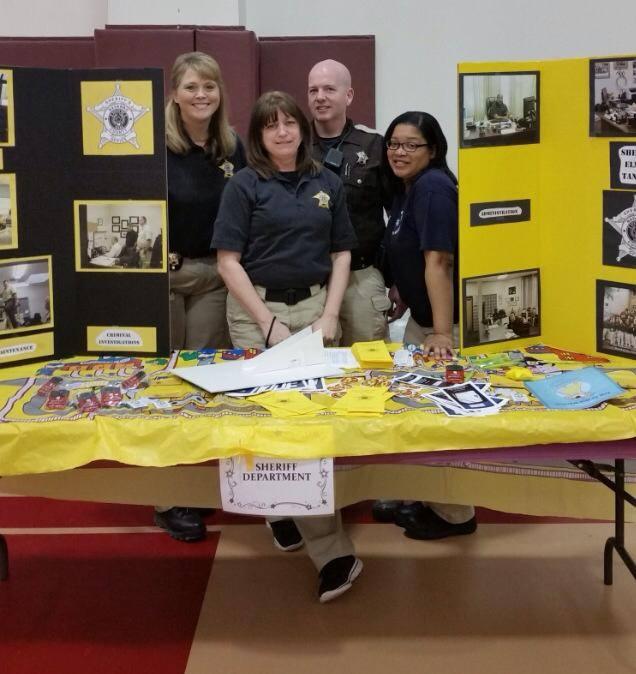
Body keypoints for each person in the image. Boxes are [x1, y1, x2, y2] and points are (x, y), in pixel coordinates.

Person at [213, 91, 362, 603]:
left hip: (315, 310)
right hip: (258, 314)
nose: (282, 132)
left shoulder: (328, 183)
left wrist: (328, 315)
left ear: (302, 127)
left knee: (307, 427)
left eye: (289, 123)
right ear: (256, 136)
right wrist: (268, 323)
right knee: (268, 422)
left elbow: (342, 253)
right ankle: (281, 508)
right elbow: (228, 262)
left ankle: (333, 550)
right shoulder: (245, 185)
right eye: (270, 125)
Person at [153, 51, 246, 542]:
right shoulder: (153, 145)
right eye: (191, 87)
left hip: (213, 277)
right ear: (173, 93)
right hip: (163, 277)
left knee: (202, 381)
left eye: (209, 86)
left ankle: (194, 483)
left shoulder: (232, 146)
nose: (201, 95)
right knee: (165, 385)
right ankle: (168, 497)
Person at [380, 111, 477, 540]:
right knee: (421, 415)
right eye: (394, 144)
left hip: (443, 326)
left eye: (411, 145)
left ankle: (456, 515)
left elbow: (439, 261)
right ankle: (428, 497)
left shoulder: (434, 188)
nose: (400, 152)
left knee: (441, 420)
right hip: (422, 319)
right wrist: (401, 289)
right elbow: (409, 250)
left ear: (432, 150)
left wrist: (442, 332)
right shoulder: (409, 188)